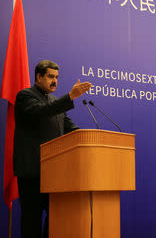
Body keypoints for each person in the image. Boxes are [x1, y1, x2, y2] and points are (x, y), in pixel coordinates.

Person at [13, 60, 91, 238]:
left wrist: (91, 138)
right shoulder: (25, 96)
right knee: (31, 222)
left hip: (54, 174)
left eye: (56, 77)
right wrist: (69, 97)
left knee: (56, 219)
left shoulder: (56, 102)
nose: (55, 81)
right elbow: (42, 112)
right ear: (38, 77)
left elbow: (71, 129)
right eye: (50, 76)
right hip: (32, 172)